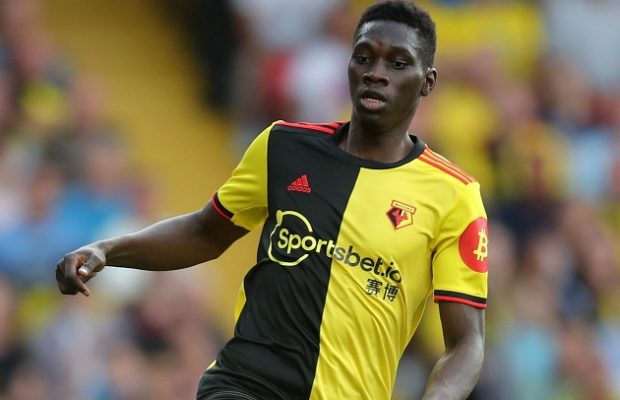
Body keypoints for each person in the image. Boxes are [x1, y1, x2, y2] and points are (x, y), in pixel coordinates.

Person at [55, 1, 488, 399]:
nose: (376, 72)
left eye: (397, 63)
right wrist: (107, 250)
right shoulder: (283, 146)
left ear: (427, 82)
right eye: (363, 56)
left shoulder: (453, 196)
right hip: (244, 384)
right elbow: (204, 232)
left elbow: (466, 342)